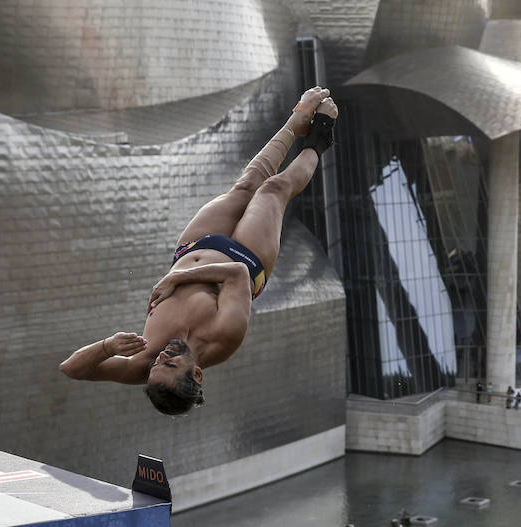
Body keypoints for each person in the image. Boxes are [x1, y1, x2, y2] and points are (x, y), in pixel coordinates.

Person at [59, 87, 339, 415]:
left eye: (155, 368)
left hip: (194, 247)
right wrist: (176, 280)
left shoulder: (143, 360)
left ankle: (296, 121)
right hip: (247, 260)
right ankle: (320, 138)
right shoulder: (224, 338)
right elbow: (236, 275)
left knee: (246, 184)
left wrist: (108, 347)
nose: (161, 358)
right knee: (272, 190)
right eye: (171, 365)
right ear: (196, 372)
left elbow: (71, 369)